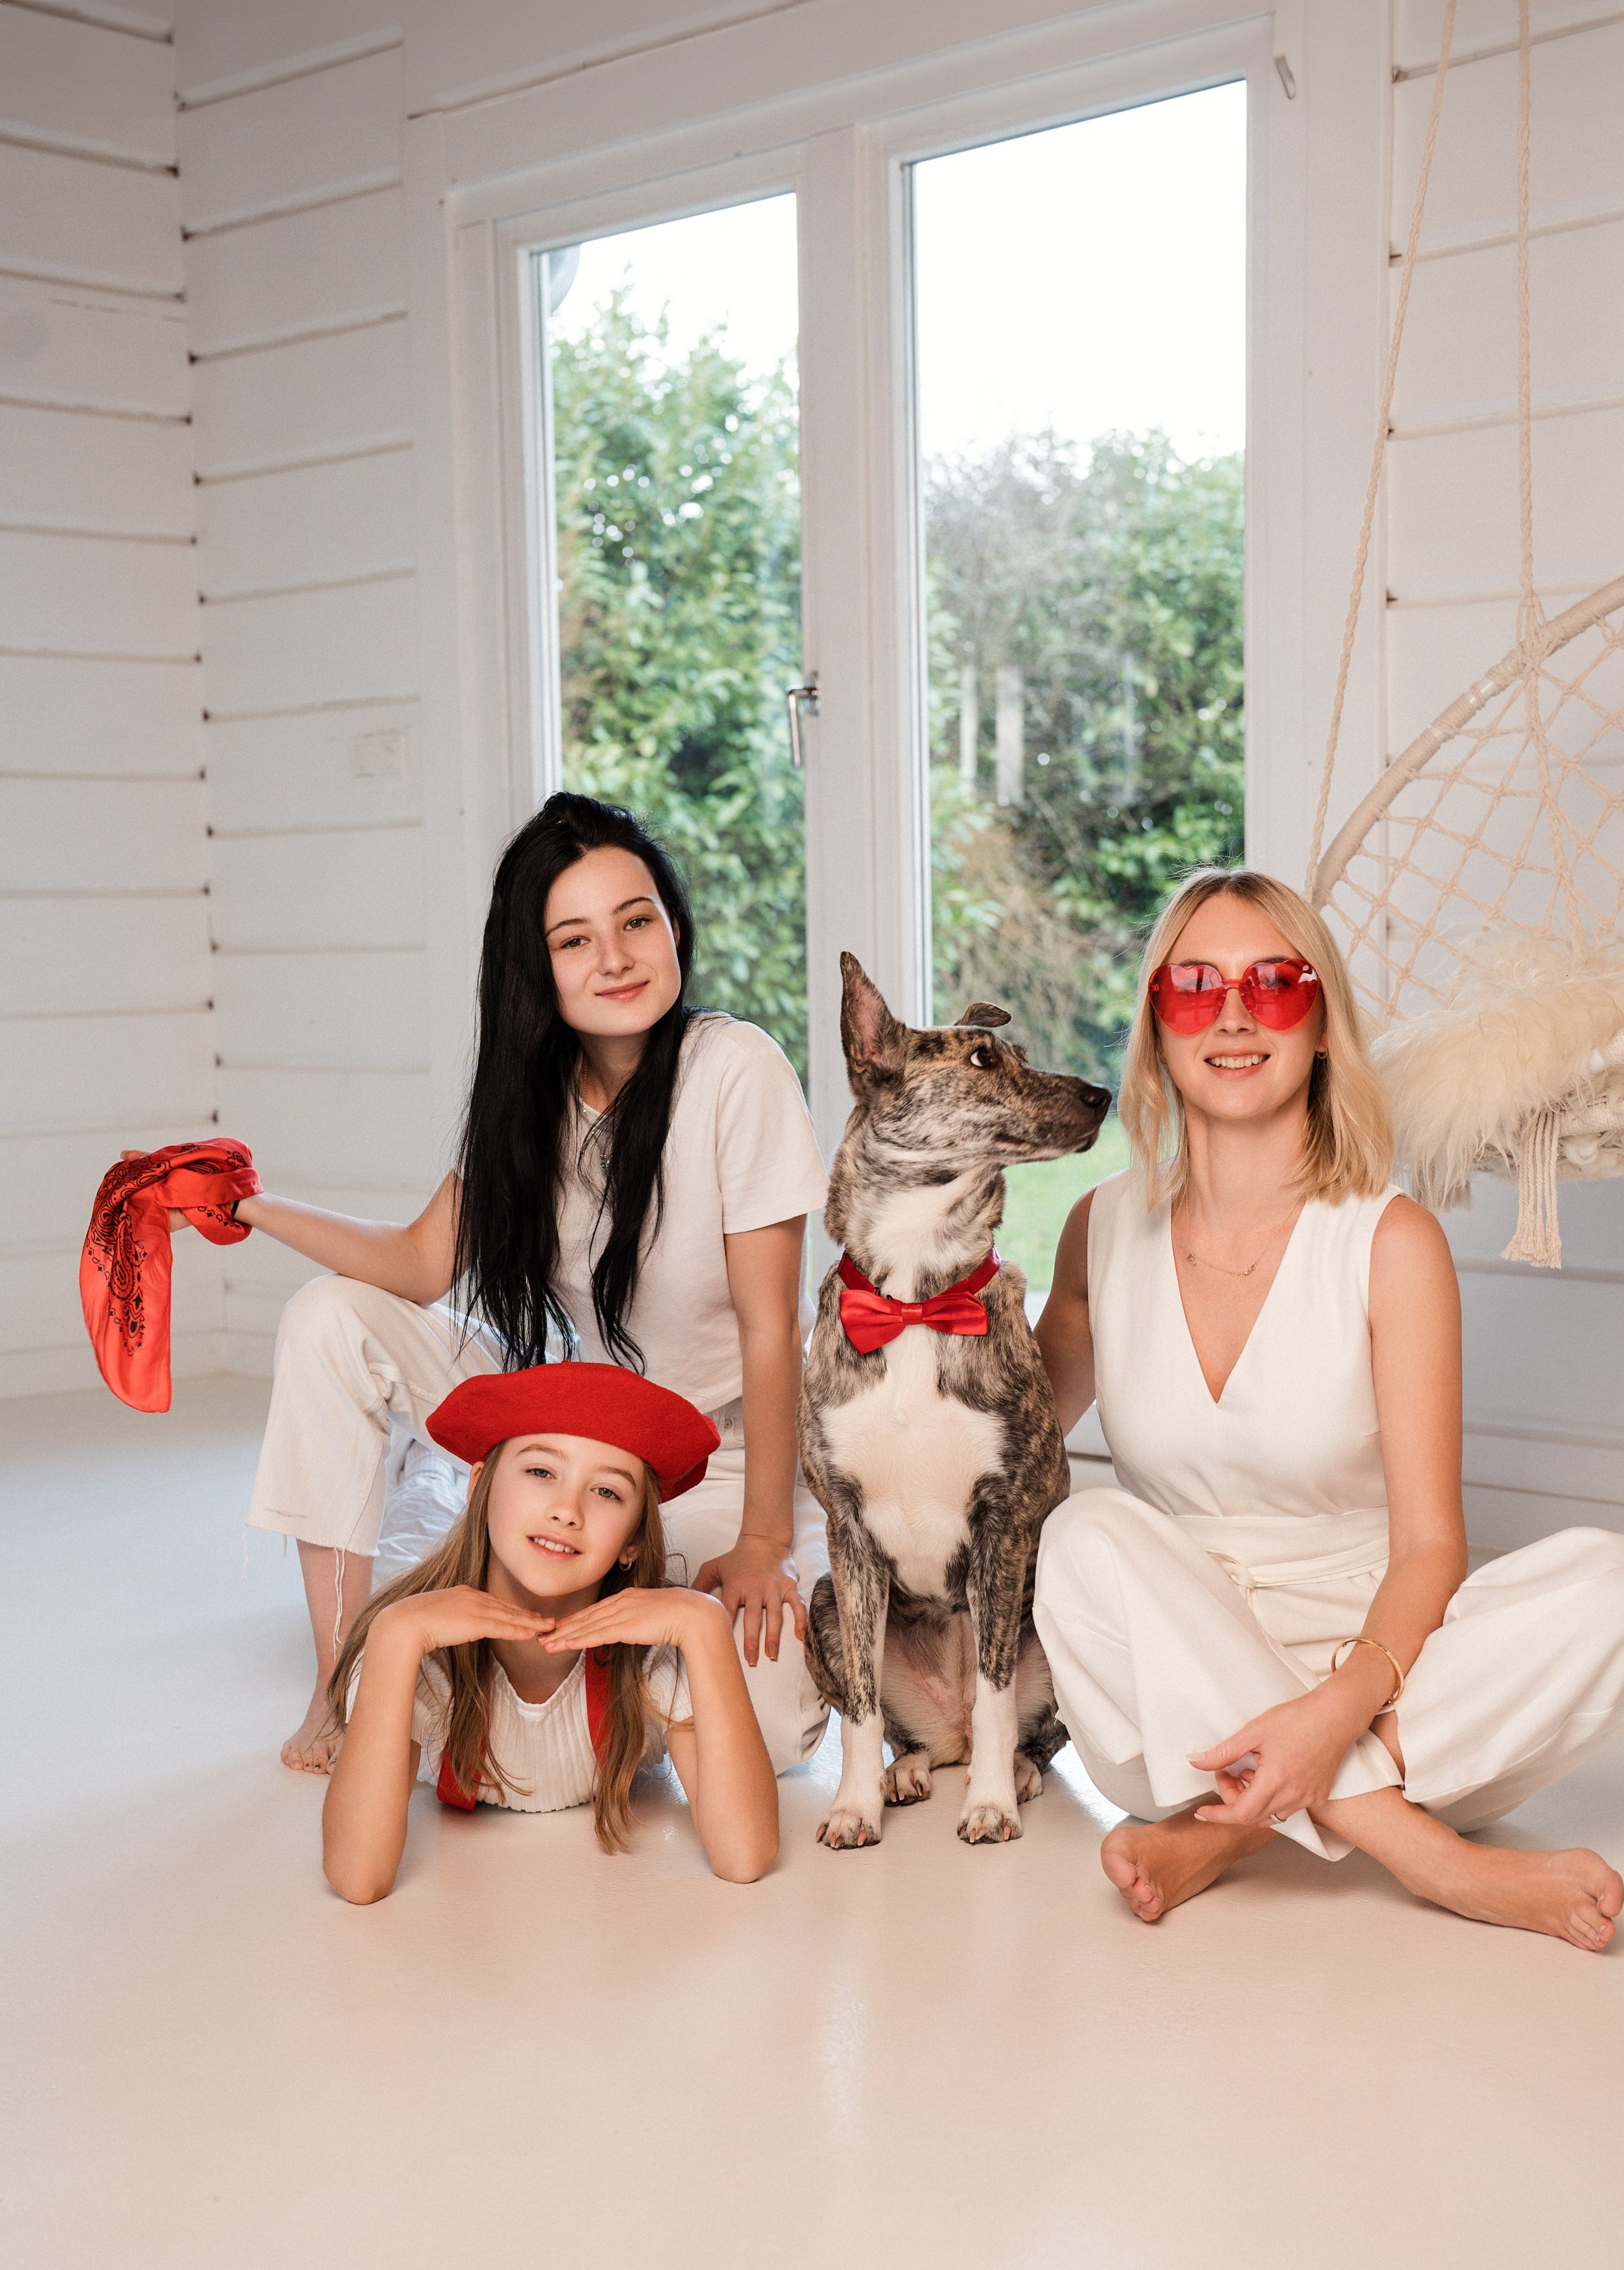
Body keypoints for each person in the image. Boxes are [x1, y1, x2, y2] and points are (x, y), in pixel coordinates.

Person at [1033, 867, 1624, 1952]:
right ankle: (1430, 1855)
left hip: (1388, 1675)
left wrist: (1336, 1709)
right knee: (1081, 1529)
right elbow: (1010, 1453)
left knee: (1605, 1579)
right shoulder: (1098, 1229)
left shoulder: (1389, 1238)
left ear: (1320, 1025)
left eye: (1276, 982)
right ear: (1157, 1021)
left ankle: (1223, 1834)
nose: (1234, 1013)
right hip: (1179, 1688)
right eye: (1195, 983)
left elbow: (1431, 1547)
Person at [209, 792, 828, 1773]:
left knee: (767, 1722)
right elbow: (418, 1263)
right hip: (578, 1426)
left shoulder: (734, 1067)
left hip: (714, 1460)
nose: (616, 958)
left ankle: (510, 1593)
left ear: (674, 925)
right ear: (536, 967)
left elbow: (769, 1327)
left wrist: (764, 1537)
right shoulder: (527, 1100)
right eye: (575, 939)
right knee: (329, 1316)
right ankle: (341, 1687)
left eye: (637, 921)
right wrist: (248, 1205)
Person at [322, 1365, 778, 1899]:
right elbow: (357, 1876)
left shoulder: (654, 1659)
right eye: (541, 1471)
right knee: (414, 1519)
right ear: (482, 1484)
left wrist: (705, 1622)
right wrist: (394, 1632)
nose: (566, 1511)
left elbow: (745, 1854)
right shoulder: (416, 1650)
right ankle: (423, 1464)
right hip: (434, 1554)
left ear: (633, 1540)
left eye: (607, 1491)